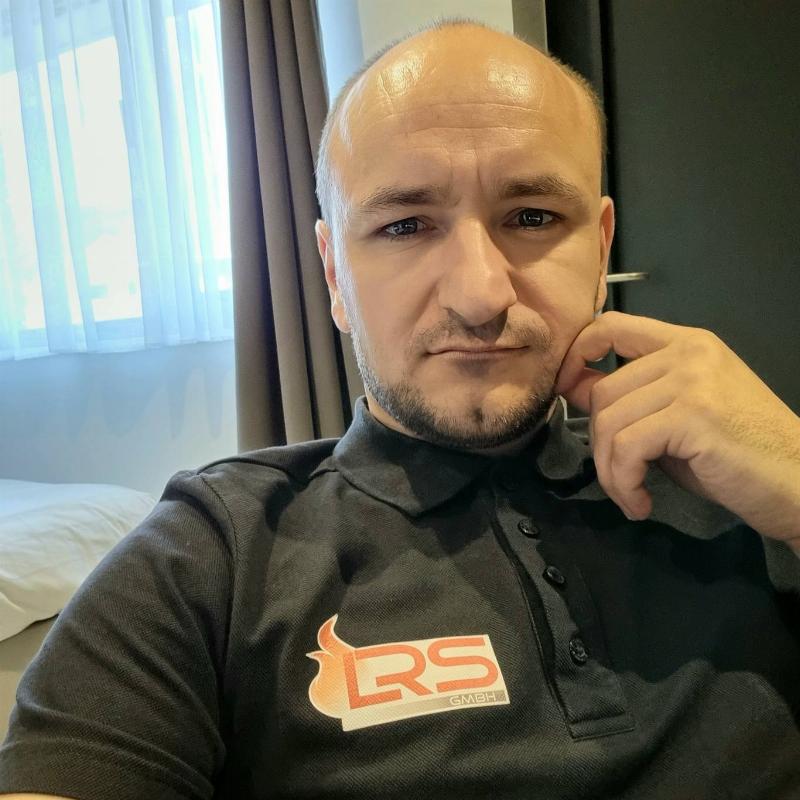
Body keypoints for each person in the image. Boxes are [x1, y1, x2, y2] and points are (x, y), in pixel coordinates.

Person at [2, 16, 800, 800]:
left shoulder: (746, 485)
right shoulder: (210, 556)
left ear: (599, 248)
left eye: (532, 217)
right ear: (334, 276)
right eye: (406, 225)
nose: (480, 296)